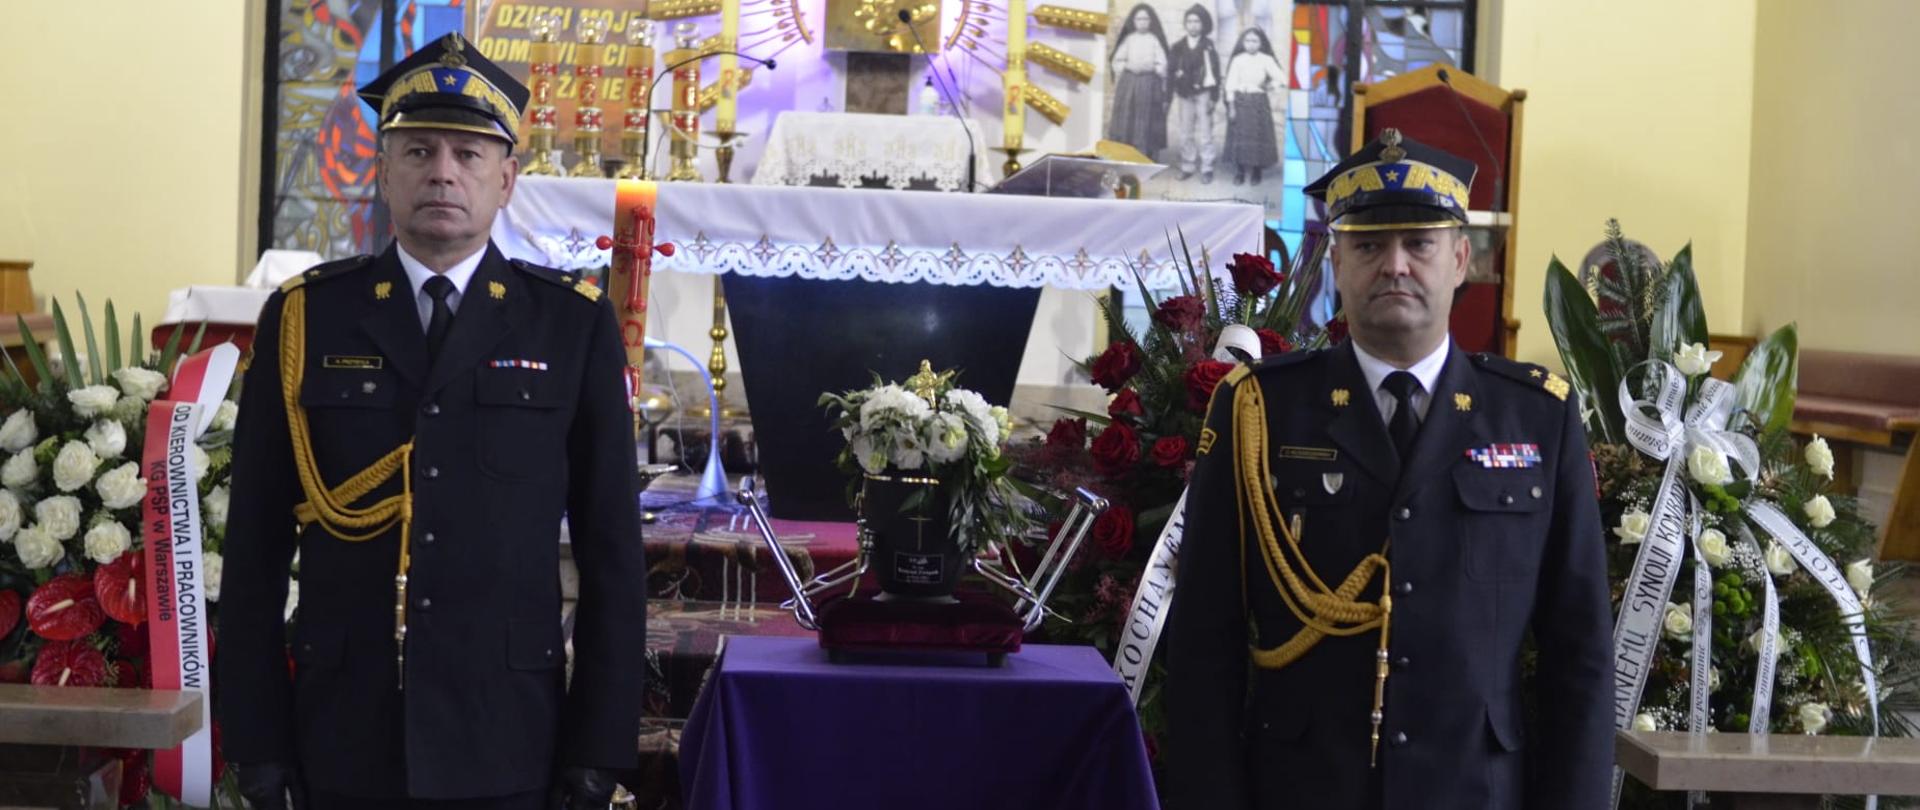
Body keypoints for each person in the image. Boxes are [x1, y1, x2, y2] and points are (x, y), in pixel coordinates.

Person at [216, 32, 648, 810]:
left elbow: (612, 549)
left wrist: (598, 749)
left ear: (506, 179)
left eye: (468, 154)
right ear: (383, 172)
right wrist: (257, 741)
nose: (443, 172)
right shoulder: (308, 317)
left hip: (508, 735)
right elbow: (254, 546)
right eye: (418, 151)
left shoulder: (569, 325)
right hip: (341, 732)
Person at [1164, 129, 1612, 809]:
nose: (1394, 266)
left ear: (1460, 259)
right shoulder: (1261, 411)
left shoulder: (1535, 417)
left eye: (1419, 244)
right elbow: (1205, 638)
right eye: (1369, 247)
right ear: (1336, 264)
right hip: (1302, 790)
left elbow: (1579, 652)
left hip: (1476, 790)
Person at [1106, 4, 1171, 160]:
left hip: (1149, 83)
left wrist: (1153, 68)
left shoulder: (1154, 40)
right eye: (1139, 19)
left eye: (1145, 19)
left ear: (1150, 21)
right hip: (1129, 83)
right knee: (1127, 116)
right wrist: (1129, 66)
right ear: (1133, 21)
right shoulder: (1129, 39)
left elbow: (1163, 63)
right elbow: (1117, 61)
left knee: (1147, 118)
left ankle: (1146, 153)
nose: (1142, 22)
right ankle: (1126, 152)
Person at [1222, 27, 1283, 186]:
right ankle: (1240, 171)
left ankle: (1257, 170)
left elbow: (1282, 78)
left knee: (1257, 136)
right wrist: (1231, 106)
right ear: (1243, 42)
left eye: (1255, 41)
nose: (1251, 44)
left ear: (1261, 43)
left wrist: (1271, 85)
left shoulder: (1266, 59)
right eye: (1247, 40)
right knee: (1240, 137)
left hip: (1258, 102)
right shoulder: (1238, 60)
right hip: (1240, 101)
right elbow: (1230, 84)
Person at [1167, 4, 1221, 183]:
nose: (1193, 25)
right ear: (1185, 24)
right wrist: (1172, 92)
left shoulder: (1208, 46)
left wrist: (1214, 97)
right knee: (1186, 132)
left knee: (1206, 132)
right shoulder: (1178, 47)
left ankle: (1207, 167)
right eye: (1189, 21)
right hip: (1185, 95)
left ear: (1203, 24)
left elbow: (1215, 72)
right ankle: (1188, 165)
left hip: (1204, 94)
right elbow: (1171, 72)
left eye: (1197, 21)